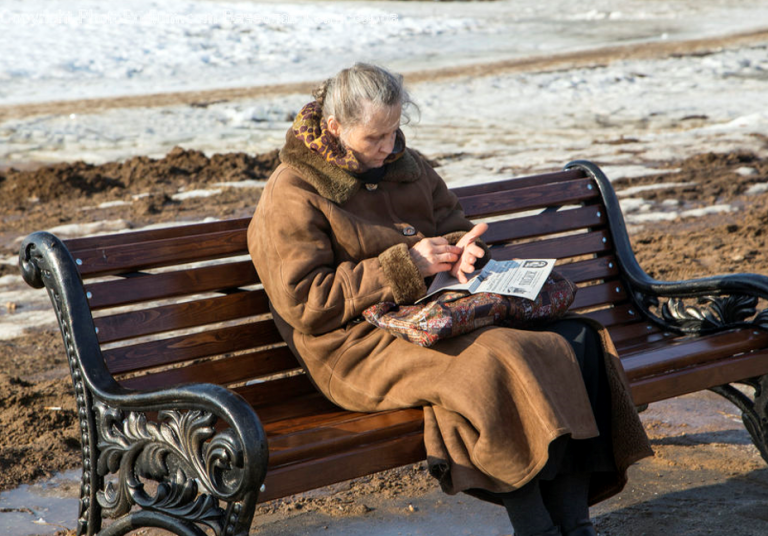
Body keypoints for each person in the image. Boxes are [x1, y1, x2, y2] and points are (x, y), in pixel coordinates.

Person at [247, 63, 652, 536]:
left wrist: (465, 253)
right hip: (354, 345)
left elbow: (452, 223)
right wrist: (406, 266)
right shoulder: (293, 190)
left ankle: (575, 524)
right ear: (335, 127)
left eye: (394, 131)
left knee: (577, 339)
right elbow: (305, 304)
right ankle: (536, 527)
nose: (386, 148)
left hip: (438, 314)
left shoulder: (408, 166)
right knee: (499, 362)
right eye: (373, 137)